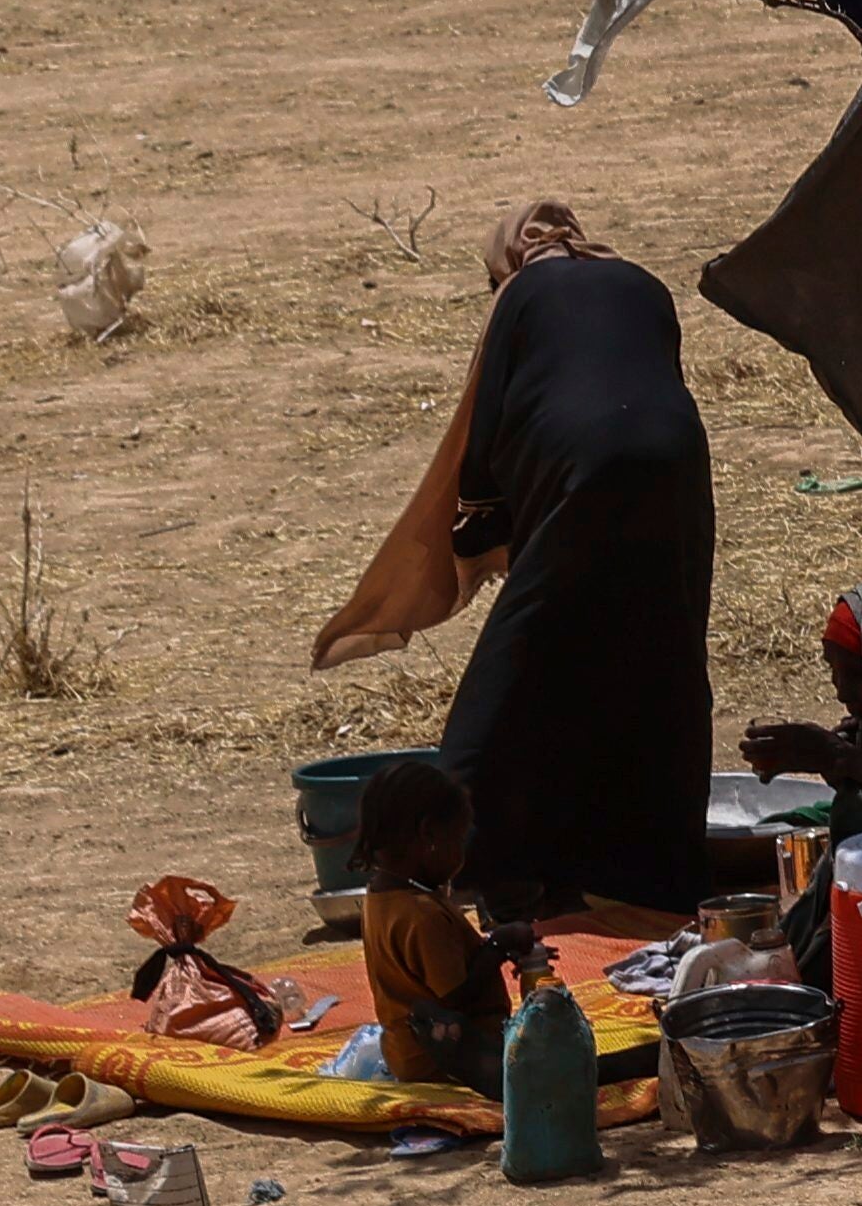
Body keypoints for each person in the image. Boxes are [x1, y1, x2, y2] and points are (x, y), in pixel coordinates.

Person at [313, 205, 740, 916]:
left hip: (587, 465)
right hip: (676, 466)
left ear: (507, 263)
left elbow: (489, 429)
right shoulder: (641, 283)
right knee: (657, 651)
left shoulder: (522, 295)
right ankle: (651, 869)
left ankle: (450, 859)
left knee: (516, 669)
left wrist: (488, 536)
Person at [349, 759, 502, 1090]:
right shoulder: (422, 915)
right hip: (446, 1061)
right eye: (458, 839)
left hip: (406, 1055)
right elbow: (455, 999)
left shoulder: (381, 896)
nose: (461, 855)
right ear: (429, 834)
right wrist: (497, 948)